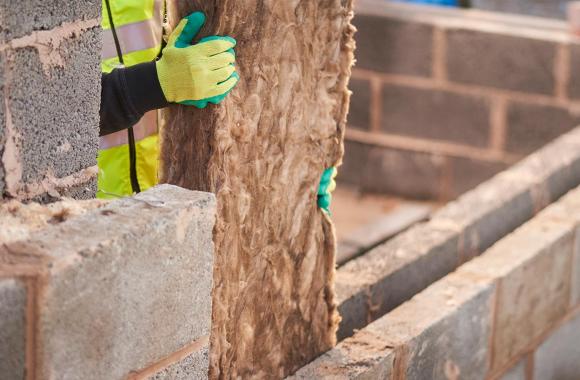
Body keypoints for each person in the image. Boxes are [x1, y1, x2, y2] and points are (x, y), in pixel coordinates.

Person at [99, 0, 336, 213]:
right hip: (83, 212)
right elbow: (63, 113)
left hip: (165, 202)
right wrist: (151, 85)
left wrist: (295, 166)